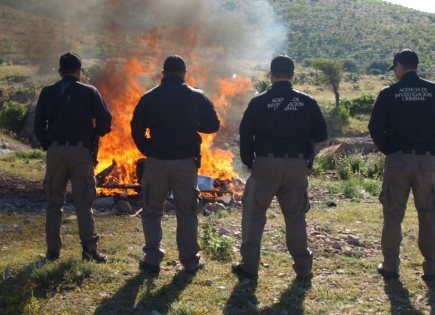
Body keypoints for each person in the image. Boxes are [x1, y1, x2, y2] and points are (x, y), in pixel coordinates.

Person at [233, 55, 328, 280]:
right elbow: (322, 134)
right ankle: (304, 268)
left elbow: (245, 134)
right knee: (295, 217)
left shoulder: (258, 102)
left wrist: (250, 162)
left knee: (254, 214)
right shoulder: (307, 102)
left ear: (271, 75)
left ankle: (249, 266)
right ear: (293, 76)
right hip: (296, 165)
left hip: (265, 164)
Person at [131, 55, 220, 275]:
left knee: (152, 210)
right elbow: (212, 126)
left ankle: (152, 260)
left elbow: (136, 128)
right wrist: (192, 123)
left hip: (157, 162)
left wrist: (148, 149)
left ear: (163, 74)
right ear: (184, 73)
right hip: (185, 164)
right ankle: (190, 261)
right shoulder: (197, 96)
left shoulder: (149, 97)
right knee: (187, 212)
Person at [34, 52, 112, 263]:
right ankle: (89, 251)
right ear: (79, 71)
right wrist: (95, 133)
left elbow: (38, 126)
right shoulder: (90, 92)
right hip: (81, 153)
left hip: (56, 152)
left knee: (53, 203)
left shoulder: (48, 92)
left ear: (60, 72)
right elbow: (106, 122)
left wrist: (48, 144)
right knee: (84, 203)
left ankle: (52, 252)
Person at [369, 49, 435, 281]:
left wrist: (390, 150)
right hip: (429, 161)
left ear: (398, 65)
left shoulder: (389, 93)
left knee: (393, 214)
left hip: (398, 160)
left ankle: (390, 266)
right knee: (429, 214)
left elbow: (375, 128)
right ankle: (431, 269)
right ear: (415, 66)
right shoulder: (433, 90)